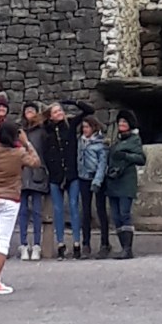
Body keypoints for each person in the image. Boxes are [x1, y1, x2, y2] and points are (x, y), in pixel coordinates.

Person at [0, 119, 40, 295]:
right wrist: (27, 143)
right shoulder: (19, 153)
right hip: (10, 198)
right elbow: (36, 162)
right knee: (3, 241)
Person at [42, 98, 95, 259]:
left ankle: (77, 243)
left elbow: (89, 110)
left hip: (72, 174)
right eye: (55, 111)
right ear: (50, 116)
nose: (59, 113)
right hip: (55, 175)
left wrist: (74, 102)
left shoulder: (70, 125)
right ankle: (60, 244)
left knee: (73, 206)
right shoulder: (46, 130)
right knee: (58, 210)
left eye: (60, 110)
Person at [106, 109, 146, 260]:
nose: (121, 124)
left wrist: (125, 156)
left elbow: (141, 159)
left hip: (126, 182)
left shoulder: (134, 140)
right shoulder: (116, 140)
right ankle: (123, 247)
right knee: (116, 216)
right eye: (120, 121)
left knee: (124, 214)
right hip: (113, 181)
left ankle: (127, 249)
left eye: (124, 121)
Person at [18, 103, 50, 261]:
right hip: (22, 174)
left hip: (37, 173)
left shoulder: (42, 131)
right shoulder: (19, 131)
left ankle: (37, 244)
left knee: (37, 212)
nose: (29, 112)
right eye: (27, 110)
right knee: (22, 211)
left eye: (32, 110)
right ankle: (23, 244)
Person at [77, 115, 110, 259]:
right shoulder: (80, 141)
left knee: (101, 210)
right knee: (85, 211)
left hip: (97, 179)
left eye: (87, 127)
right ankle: (86, 244)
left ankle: (105, 243)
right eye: (84, 127)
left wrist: (97, 181)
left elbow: (102, 164)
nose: (85, 130)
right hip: (84, 177)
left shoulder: (100, 144)